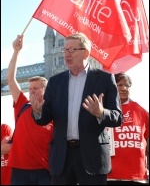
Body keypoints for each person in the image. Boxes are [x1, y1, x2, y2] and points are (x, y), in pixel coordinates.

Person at [33, 32, 123, 185]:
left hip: (92, 157)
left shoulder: (105, 79)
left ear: (86, 53)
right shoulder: (54, 82)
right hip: (62, 157)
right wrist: (37, 111)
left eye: (72, 50)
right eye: (65, 50)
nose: (66, 54)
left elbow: (117, 117)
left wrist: (101, 113)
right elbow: (45, 118)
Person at [6, 35, 54, 185]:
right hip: (20, 170)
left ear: (46, 90)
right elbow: (11, 79)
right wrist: (16, 52)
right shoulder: (23, 104)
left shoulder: (54, 111)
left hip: (44, 171)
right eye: (30, 88)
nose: (31, 91)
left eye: (36, 88)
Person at [107, 73, 149, 185]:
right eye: (119, 85)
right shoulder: (103, 111)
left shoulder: (142, 112)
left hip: (137, 176)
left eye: (127, 85)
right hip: (110, 176)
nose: (124, 88)